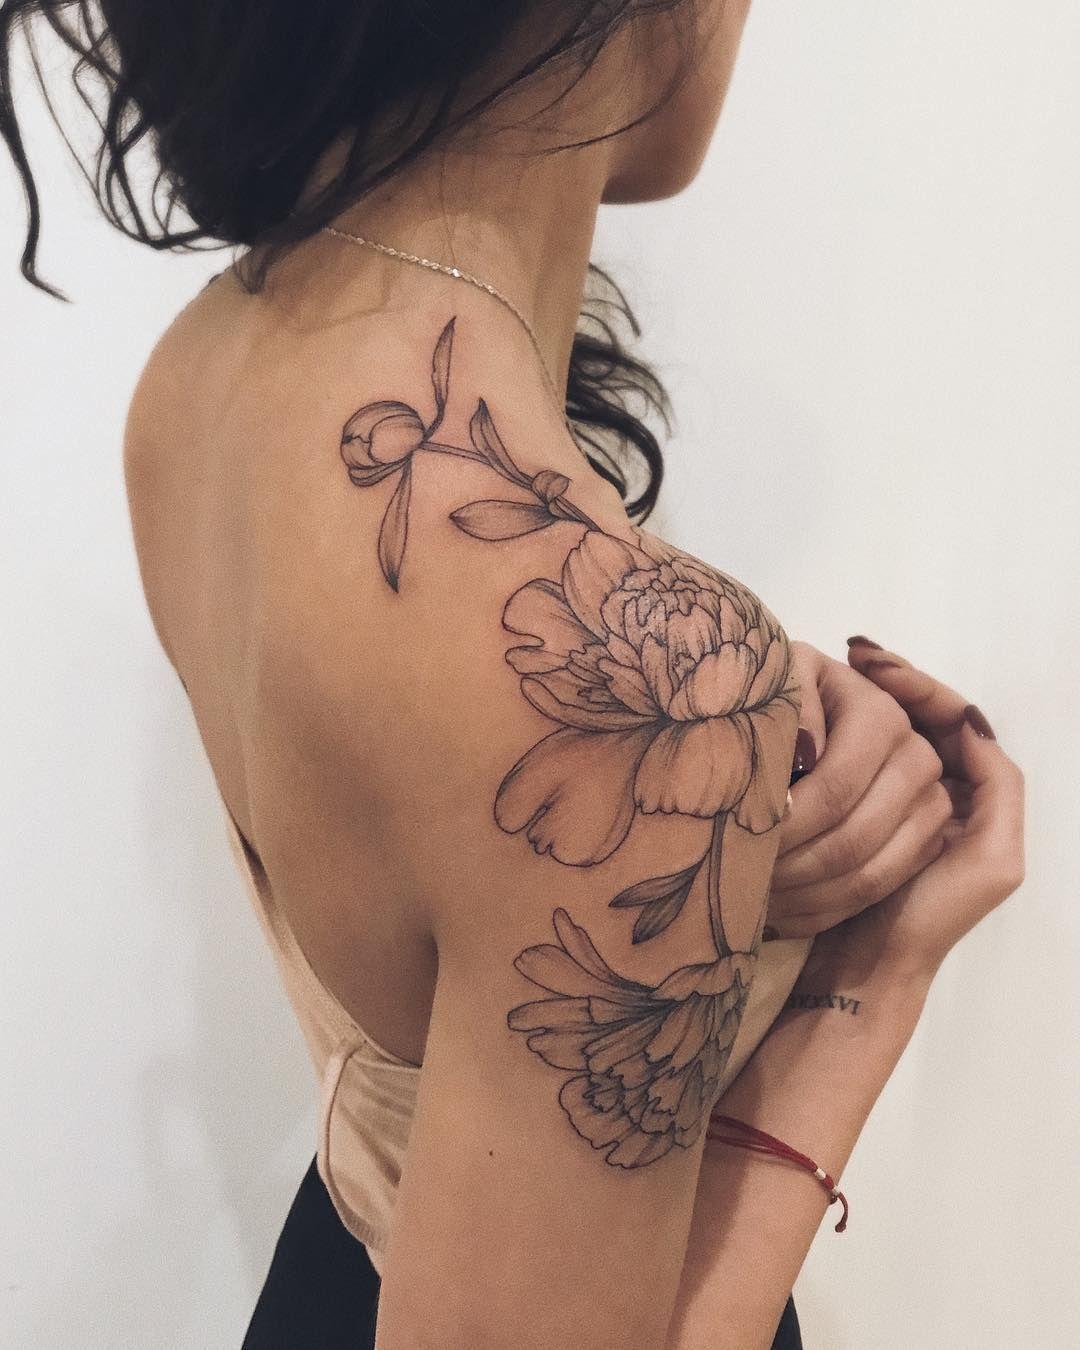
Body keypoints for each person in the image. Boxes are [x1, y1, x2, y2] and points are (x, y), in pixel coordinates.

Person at [1, 3, 1024, 1347]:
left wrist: (737, 762)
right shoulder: (589, 647)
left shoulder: (210, 361)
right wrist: (871, 976)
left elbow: (414, 822)